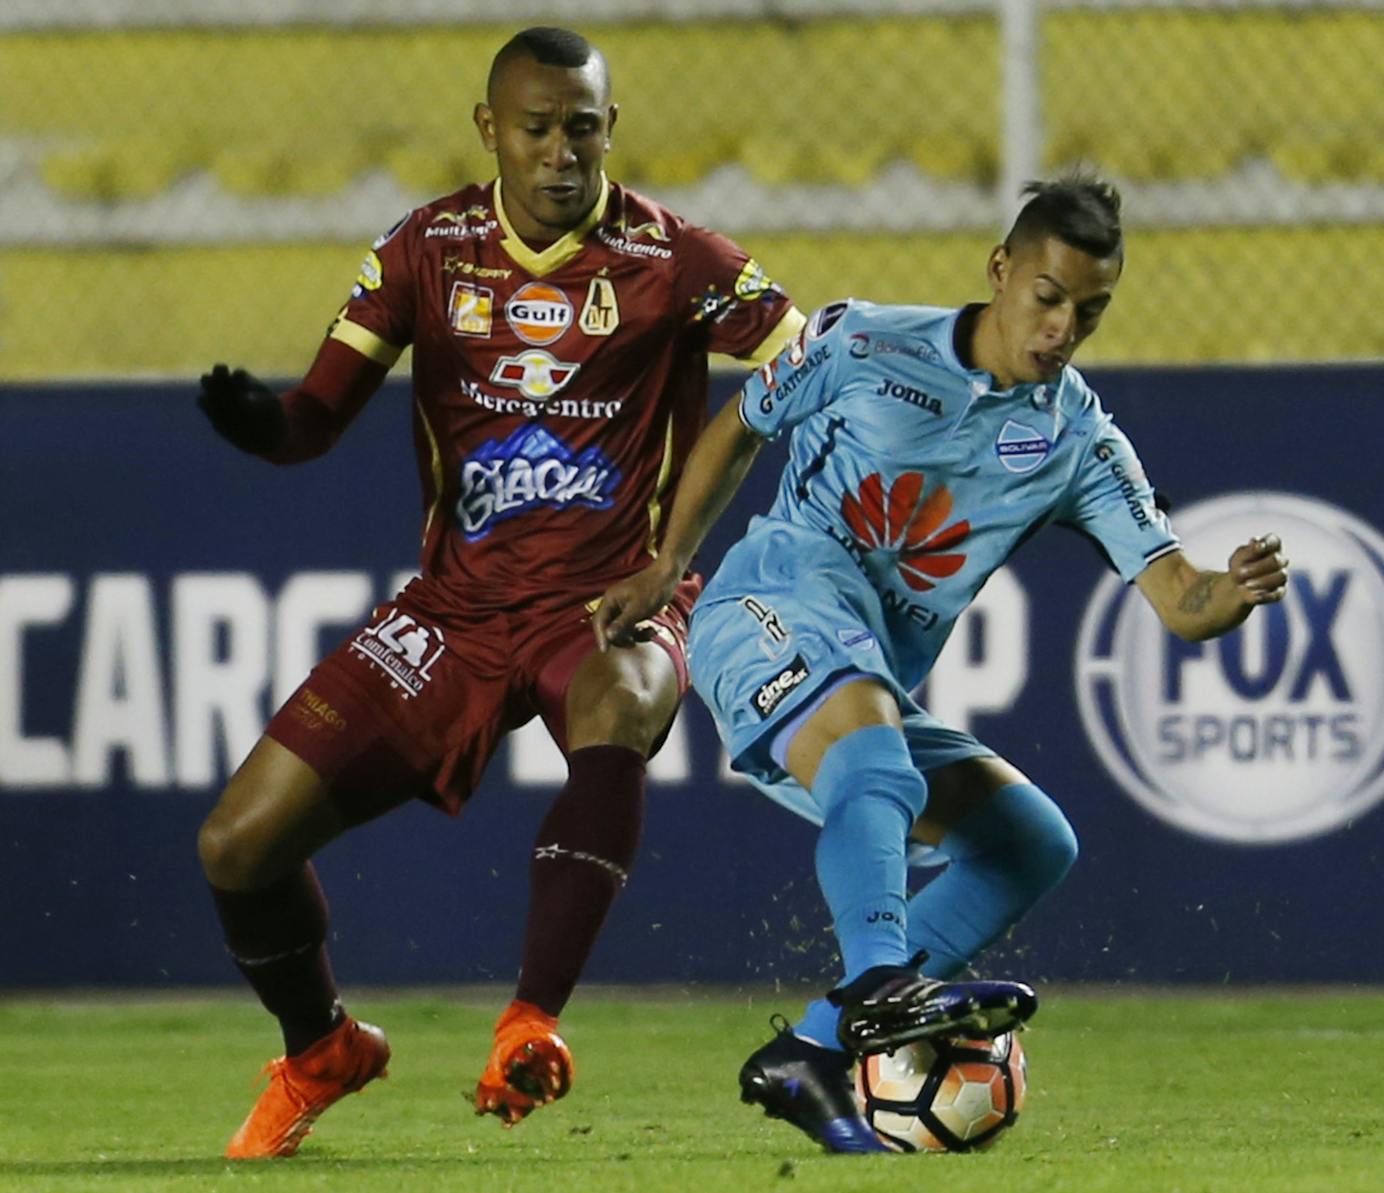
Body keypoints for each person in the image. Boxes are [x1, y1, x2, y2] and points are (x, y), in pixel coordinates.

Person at [194, 26, 804, 1159]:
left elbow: (800, 366)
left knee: (620, 698)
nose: (561, 150)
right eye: (536, 128)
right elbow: (316, 416)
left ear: (610, 128)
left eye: (583, 126)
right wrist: (258, 423)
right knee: (236, 844)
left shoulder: (675, 258)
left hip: (608, 598)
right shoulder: (425, 247)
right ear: (490, 130)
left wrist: (673, 555)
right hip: (455, 609)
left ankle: (531, 1019)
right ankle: (320, 1043)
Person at [593, 176, 1290, 1153]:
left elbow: (1179, 599)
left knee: (1028, 842)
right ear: (1000, 270)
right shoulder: (859, 340)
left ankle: (811, 1050)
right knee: (877, 752)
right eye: (1047, 296)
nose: (1060, 328)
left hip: (858, 674)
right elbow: (741, 423)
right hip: (765, 604)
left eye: (1087, 312)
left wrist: (1234, 588)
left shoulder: (1075, 440)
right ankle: (882, 980)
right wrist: (667, 564)